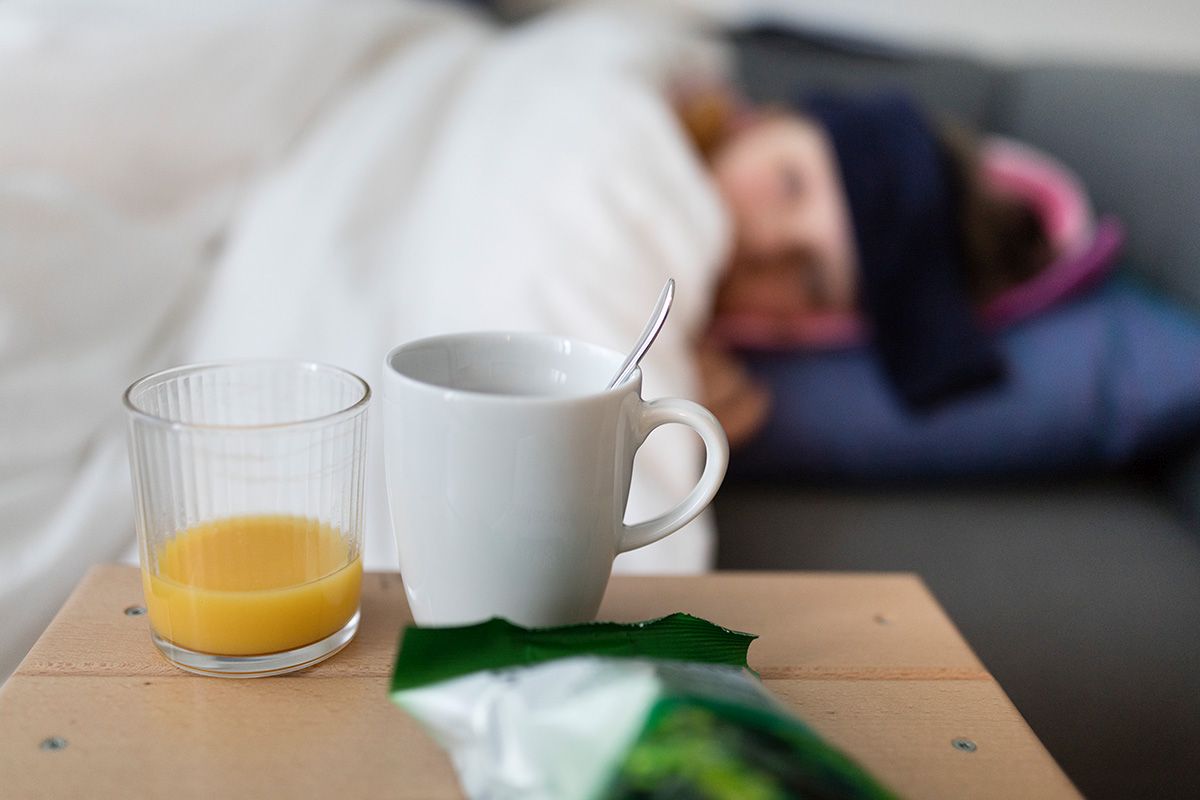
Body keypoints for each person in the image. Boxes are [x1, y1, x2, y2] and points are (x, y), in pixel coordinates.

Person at [681, 88, 1055, 446]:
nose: (765, 243)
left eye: (812, 279)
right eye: (790, 184)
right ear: (762, 123)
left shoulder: (689, 394)